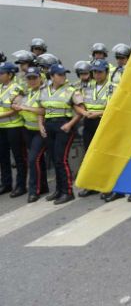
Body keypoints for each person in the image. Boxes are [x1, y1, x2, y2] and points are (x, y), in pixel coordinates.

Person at [39, 64, 82, 205]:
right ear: (51, 77)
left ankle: (67, 192)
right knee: (54, 159)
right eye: (59, 74)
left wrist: (69, 125)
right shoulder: (44, 90)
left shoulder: (71, 91)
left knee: (61, 160)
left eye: (64, 74)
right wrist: (41, 125)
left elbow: (81, 111)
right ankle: (58, 190)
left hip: (64, 126)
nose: (63, 76)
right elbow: (41, 109)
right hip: (49, 125)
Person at [76, 59, 116, 200]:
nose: (97, 75)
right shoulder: (88, 86)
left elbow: (113, 108)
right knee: (89, 154)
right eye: (95, 72)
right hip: (88, 121)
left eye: (100, 72)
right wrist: (83, 112)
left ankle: (106, 186)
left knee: (104, 155)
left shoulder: (112, 87)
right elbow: (75, 101)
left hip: (102, 121)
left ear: (106, 72)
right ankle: (91, 185)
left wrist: (97, 114)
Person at [12, 66, 49, 202]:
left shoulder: (44, 91)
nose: (32, 81)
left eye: (35, 78)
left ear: (40, 78)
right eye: (29, 78)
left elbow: (43, 111)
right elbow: (15, 103)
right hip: (27, 129)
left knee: (33, 159)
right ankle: (43, 185)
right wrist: (16, 104)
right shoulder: (27, 92)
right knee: (39, 160)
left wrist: (24, 107)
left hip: (41, 130)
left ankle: (34, 191)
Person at [0, 62, 27, 197]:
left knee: (18, 157)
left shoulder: (17, 89)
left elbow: (15, 109)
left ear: (10, 74)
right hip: (1, 127)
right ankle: (6, 184)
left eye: (1, 73)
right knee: (3, 157)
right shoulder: (0, 87)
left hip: (14, 127)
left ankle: (21, 186)